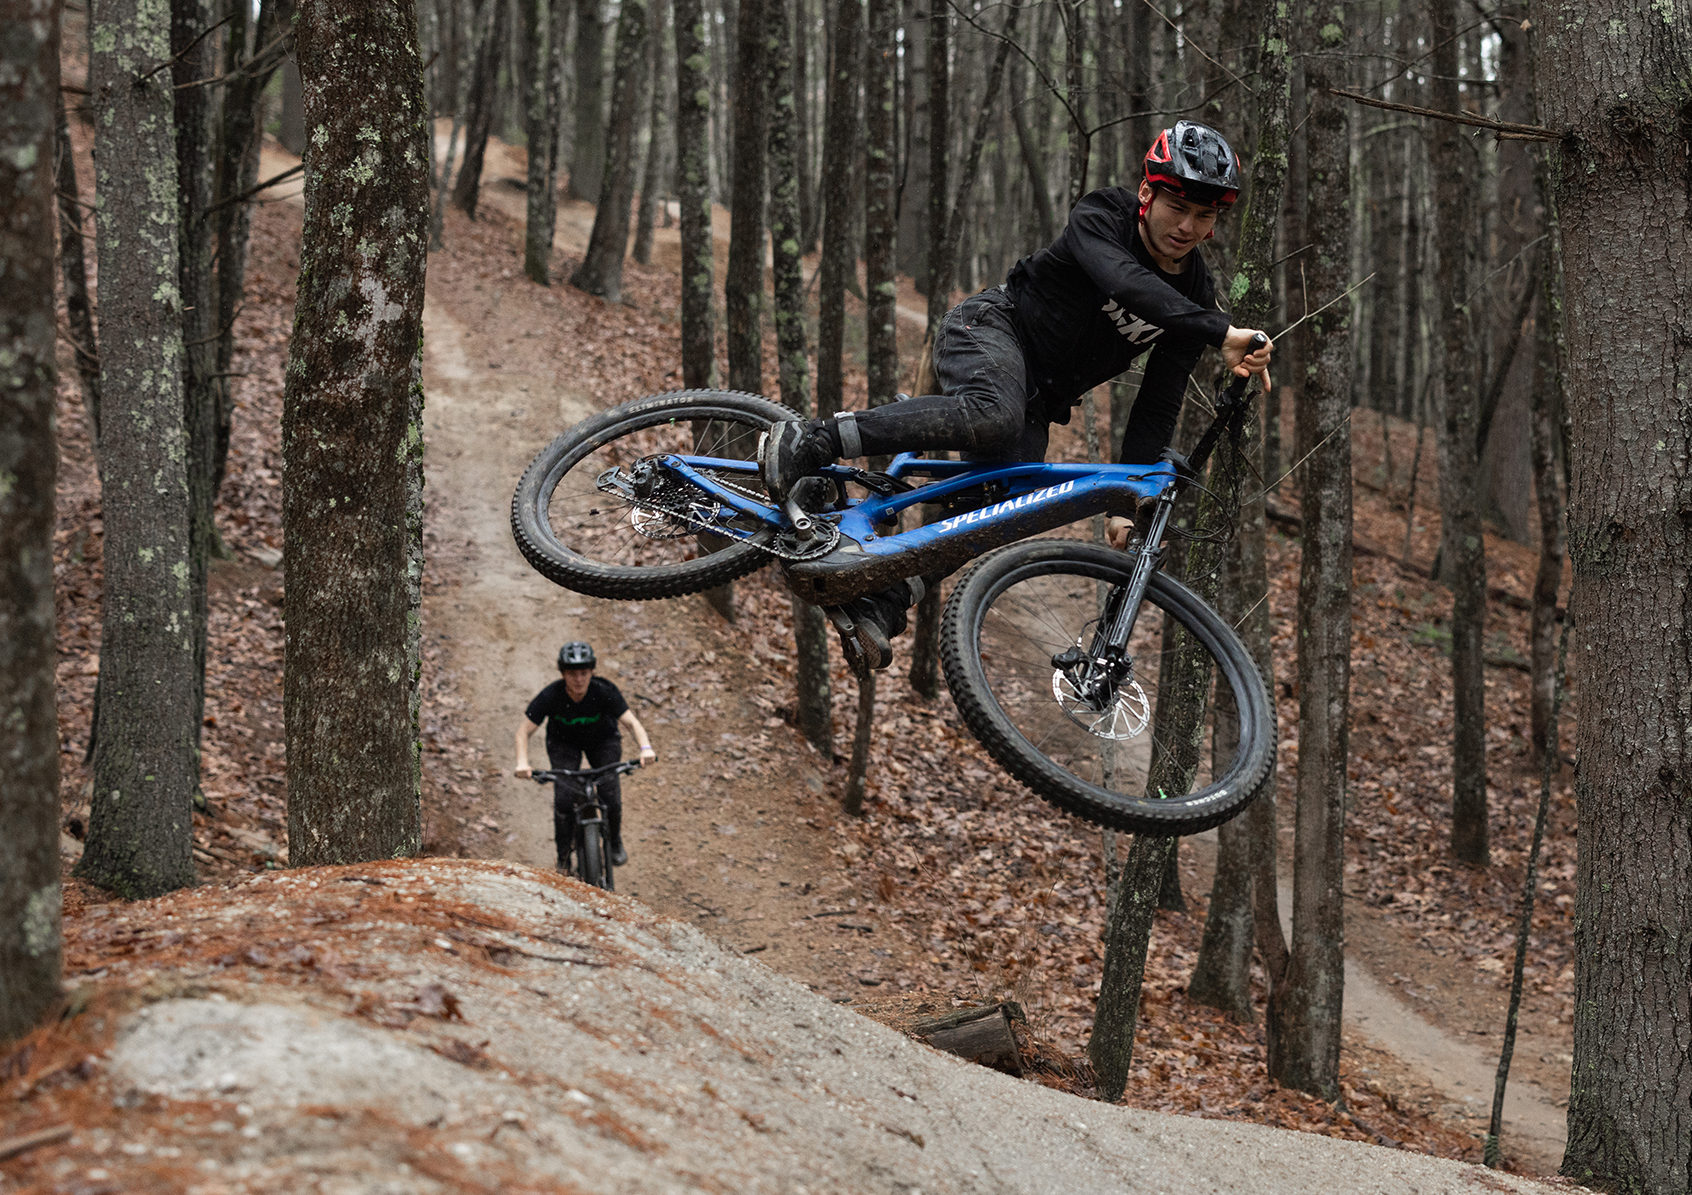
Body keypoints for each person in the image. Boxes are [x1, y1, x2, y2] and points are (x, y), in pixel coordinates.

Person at [762, 122, 1274, 662]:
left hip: (1036, 399)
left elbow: (1159, 400)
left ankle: (884, 600)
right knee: (994, 413)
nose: (1188, 226)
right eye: (1178, 207)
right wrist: (1219, 331)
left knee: (1001, 509)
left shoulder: (1194, 293)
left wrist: (1127, 505)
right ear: (1147, 193)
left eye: (1205, 215)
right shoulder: (1103, 215)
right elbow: (1124, 280)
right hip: (992, 328)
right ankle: (811, 440)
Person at [513, 640, 655, 871]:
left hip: (603, 741)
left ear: (592, 672)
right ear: (563, 674)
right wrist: (522, 762)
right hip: (564, 744)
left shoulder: (604, 690)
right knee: (564, 799)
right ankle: (563, 857)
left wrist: (645, 747)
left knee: (610, 793)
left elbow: (631, 722)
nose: (578, 679)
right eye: (572, 673)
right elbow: (523, 732)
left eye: (584, 673)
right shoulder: (551, 695)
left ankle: (615, 841)